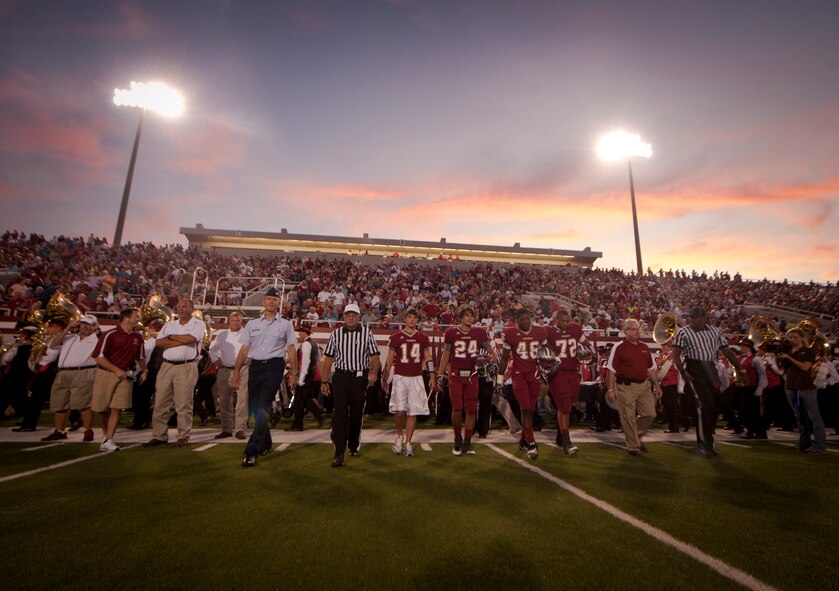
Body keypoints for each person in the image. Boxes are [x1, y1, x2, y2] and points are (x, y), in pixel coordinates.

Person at [232, 288, 298, 467]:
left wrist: (294, 374)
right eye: (268, 299)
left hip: (274, 366)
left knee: (261, 407)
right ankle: (266, 441)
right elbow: (244, 350)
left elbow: (291, 349)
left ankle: (251, 451)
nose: (271, 302)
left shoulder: (285, 324)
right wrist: (236, 372)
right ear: (263, 302)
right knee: (255, 408)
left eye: (274, 299)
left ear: (279, 303)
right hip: (255, 367)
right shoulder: (252, 324)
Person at [672, 307, 744, 457]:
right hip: (694, 368)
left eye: (696, 318)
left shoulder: (716, 331)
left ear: (704, 318)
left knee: (713, 406)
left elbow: (727, 351)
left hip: (710, 368)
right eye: (691, 318)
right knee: (704, 405)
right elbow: (676, 355)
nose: (692, 320)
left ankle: (706, 439)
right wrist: (684, 372)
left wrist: (739, 368)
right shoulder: (683, 332)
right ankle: (704, 442)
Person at [321, 303, 380, 467]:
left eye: (354, 315)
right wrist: (324, 380)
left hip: (359, 378)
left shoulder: (367, 334)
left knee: (356, 414)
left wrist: (373, 373)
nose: (351, 317)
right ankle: (339, 452)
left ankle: (353, 443)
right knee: (339, 414)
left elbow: (375, 357)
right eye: (348, 315)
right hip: (340, 377)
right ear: (344, 317)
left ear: (359, 317)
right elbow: (328, 359)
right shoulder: (336, 334)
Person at [142, 298, 206, 449]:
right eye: (179, 307)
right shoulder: (170, 324)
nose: (181, 309)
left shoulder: (198, 323)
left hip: (186, 365)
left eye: (184, 306)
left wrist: (170, 338)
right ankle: (159, 435)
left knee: (183, 403)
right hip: (167, 366)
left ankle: (183, 435)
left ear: (192, 308)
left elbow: (192, 338)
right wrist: (180, 340)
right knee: (160, 403)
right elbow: (159, 342)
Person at [437, 307, 498, 456]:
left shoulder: (479, 333)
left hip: (472, 376)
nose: (470, 318)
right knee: (457, 409)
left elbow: (492, 354)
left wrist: (488, 362)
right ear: (461, 317)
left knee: (471, 410)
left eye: (472, 315)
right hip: (456, 376)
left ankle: (467, 442)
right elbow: (446, 355)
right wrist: (440, 374)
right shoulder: (451, 332)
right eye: (467, 315)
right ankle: (458, 438)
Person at [91, 308, 148, 452]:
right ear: (127, 318)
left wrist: (144, 370)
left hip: (126, 375)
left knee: (117, 407)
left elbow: (140, 357)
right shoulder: (110, 334)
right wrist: (116, 369)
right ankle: (106, 436)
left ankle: (109, 438)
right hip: (106, 374)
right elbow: (98, 356)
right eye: (137, 316)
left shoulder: (138, 337)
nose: (139, 319)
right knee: (102, 409)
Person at [382, 308, 435, 456]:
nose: (412, 320)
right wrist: (385, 376)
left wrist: (432, 374)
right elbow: (389, 358)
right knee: (400, 411)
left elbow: (428, 357)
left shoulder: (423, 337)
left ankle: (408, 443)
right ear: (405, 319)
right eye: (409, 317)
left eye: (414, 318)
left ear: (417, 320)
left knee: (413, 412)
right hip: (400, 377)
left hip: (416, 377)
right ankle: (399, 435)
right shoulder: (396, 337)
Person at [605, 319, 662, 456]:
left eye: (638, 329)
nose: (637, 332)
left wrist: (657, 386)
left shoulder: (644, 347)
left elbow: (651, 368)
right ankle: (633, 446)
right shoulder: (619, 347)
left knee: (650, 413)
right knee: (628, 417)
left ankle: (636, 436)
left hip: (644, 385)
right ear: (626, 332)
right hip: (626, 386)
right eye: (634, 329)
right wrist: (611, 389)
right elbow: (611, 370)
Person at [40, 314, 100, 442]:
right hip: (63, 372)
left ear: (94, 326)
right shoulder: (69, 337)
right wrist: (67, 328)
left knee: (85, 404)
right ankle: (60, 430)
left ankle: (88, 430)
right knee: (60, 403)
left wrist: (96, 330)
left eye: (89, 324)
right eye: (83, 323)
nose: (85, 326)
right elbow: (52, 344)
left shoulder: (97, 339)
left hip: (84, 372)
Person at [499, 308, 546, 459]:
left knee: (531, 410)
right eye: (523, 319)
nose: (526, 321)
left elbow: (545, 350)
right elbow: (505, 358)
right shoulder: (510, 333)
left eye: (528, 318)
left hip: (533, 375)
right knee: (525, 409)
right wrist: (500, 379)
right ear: (517, 320)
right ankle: (531, 442)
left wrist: (553, 359)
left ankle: (522, 440)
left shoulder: (539, 332)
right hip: (518, 375)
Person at [544, 308, 591, 455]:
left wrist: (586, 353)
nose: (566, 323)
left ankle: (560, 436)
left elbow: (586, 343)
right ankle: (566, 441)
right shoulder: (549, 331)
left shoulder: (575, 328)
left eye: (567, 320)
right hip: (558, 372)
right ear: (556, 320)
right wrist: (553, 354)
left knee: (568, 405)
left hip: (573, 371)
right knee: (564, 406)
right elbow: (542, 345)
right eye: (562, 321)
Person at [778, 328, 826, 453]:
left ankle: (819, 445)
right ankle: (803, 442)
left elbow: (805, 367)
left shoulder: (808, 351)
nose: (792, 339)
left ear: (801, 338)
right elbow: (783, 370)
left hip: (806, 386)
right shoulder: (787, 351)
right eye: (790, 337)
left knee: (814, 416)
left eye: (795, 337)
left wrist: (789, 357)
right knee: (799, 416)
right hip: (791, 386)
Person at [209, 311, 249, 439]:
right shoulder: (222, 335)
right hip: (225, 369)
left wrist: (250, 359)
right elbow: (211, 349)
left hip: (243, 369)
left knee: (242, 400)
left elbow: (255, 349)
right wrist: (215, 359)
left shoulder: (247, 334)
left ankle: (240, 428)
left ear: (241, 322)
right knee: (224, 400)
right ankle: (226, 428)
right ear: (229, 322)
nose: (235, 323)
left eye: (238, 321)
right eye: (233, 320)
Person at [290, 325, 324, 431]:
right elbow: (316, 359)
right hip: (313, 375)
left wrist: (301, 378)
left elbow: (306, 362)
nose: (299, 334)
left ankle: (298, 424)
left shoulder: (306, 344)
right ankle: (318, 414)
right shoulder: (314, 344)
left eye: (300, 332)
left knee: (299, 401)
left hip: (306, 375)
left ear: (304, 332)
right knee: (307, 399)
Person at [734, 338, 768, 439]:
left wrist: (760, 388)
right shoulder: (739, 358)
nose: (742, 347)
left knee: (754, 410)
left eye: (745, 346)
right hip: (742, 387)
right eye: (742, 346)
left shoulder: (755, 359)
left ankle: (759, 431)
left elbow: (762, 374)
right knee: (744, 410)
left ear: (750, 347)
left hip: (752, 386)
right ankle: (749, 429)